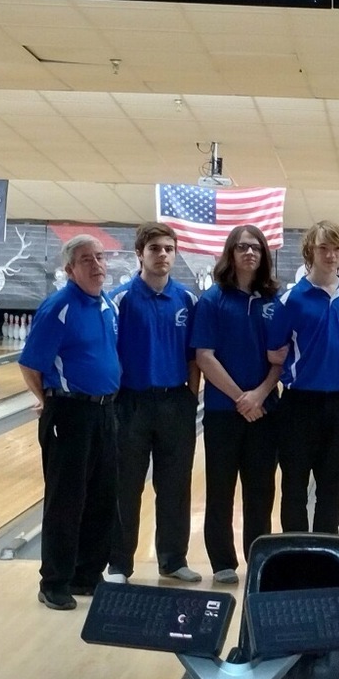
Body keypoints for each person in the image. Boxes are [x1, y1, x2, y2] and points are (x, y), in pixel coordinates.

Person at [19, 234, 120, 610]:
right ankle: (54, 582)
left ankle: (87, 576)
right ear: (70, 269)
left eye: (99, 257)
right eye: (85, 260)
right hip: (70, 413)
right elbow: (30, 364)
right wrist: (50, 402)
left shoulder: (107, 304)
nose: (96, 265)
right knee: (66, 499)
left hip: (106, 411)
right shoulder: (58, 307)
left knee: (101, 497)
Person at [107, 222, 202, 584]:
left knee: (175, 487)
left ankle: (173, 560)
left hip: (175, 401)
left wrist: (191, 397)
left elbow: (195, 356)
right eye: (155, 249)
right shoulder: (121, 299)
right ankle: (119, 564)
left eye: (168, 248)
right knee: (125, 486)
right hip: (130, 402)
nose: (163, 255)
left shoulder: (187, 300)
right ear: (140, 254)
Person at [191, 225, 283, 585]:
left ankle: (258, 558)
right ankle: (223, 562)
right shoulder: (212, 300)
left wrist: (258, 394)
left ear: (264, 255)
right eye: (242, 247)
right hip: (222, 412)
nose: (249, 253)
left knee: (261, 490)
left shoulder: (273, 302)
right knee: (221, 489)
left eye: (256, 247)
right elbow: (204, 356)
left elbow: (280, 358)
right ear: (230, 253)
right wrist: (240, 398)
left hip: (265, 410)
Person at [267, 220, 339, 534]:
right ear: (310, 250)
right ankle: (293, 561)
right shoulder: (291, 300)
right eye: (324, 247)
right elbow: (273, 352)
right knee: (294, 488)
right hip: (299, 405)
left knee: (331, 489)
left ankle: (325, 558)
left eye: (337, 248)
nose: (331, 254)